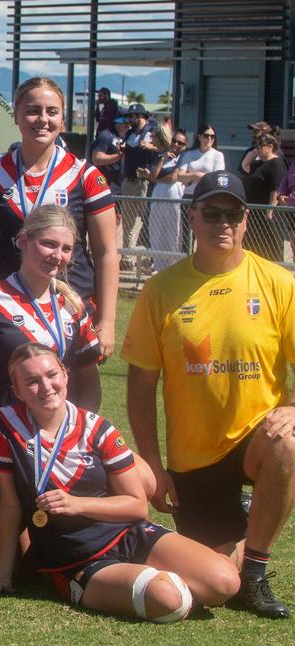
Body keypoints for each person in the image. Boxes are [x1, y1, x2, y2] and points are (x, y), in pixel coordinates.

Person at [123, 170, 295, 619]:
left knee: (289, 444)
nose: (224, 223)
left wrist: (293, 411)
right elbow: (141, 384)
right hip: (193, 459)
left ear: (245, 221)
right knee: (216, 584)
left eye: (233, 214)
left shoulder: (278, 283)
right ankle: (245, 536)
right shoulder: (161, 290)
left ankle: (256, 570)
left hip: (255, 439)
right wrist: (153, 466)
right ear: (192, 217)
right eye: (213, 213)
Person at [0, 343, 239, 622]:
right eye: (32, 382)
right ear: (17, 389)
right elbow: (9, 506)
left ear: (65, 375)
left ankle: (171, 569)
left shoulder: (97, 427)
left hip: (129, 534)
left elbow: (137, 506)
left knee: (225, 583)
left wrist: (76, 504)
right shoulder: (4, 427)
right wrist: (2, 573)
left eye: (51, 375)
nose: (46, 386)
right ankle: (146, 580)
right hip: (78, 558)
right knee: (168, 601)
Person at [0, 76, 118, 356]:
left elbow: (106, 252)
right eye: (33, 110)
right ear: (16, 115)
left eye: (52, 111)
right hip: (9, 305)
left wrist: (107, 321)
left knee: (71, 395)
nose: (42, 119)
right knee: (8, 393)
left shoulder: (86, 175)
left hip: (72, 302)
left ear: (62, 120)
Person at [0, 204, 103, 411]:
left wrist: (78, 432)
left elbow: (90, 384)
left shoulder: (73, 306)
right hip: (4, 434)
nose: (58, 255)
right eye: (49, 244)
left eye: (66, 248)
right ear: (23, 241)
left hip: (61, 437)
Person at [147, 128, 188, 272]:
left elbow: (173, 178)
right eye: (174, 141)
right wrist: (163, 158)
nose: (176, 144)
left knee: (173, 232)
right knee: (157, 230)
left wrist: (157, 179)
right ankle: (158, 265)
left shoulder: (183, 157)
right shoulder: (162, 156)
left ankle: (173, 266)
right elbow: (152, 175)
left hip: (174, 195)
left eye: (180, 143)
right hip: (158, 194)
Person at [119, 104, 158, 253]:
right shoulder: (130, 134)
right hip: (129, 181)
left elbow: (165, 150)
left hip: (144, 183)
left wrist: (151, 147)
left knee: (142, 220)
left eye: (131, 116)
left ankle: (138, 254)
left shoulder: (152, 132)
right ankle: (128, 255)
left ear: (140, 116)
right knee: (128, 221)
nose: (129, 119)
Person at [242, 133, 285, 262]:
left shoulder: (276, 164)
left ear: (270, 147)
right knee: (252, 245)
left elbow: (276, 189)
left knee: (269, 247)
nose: (257, 149)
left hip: (265, 214)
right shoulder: (259, 164)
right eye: (256, 146)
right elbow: (245, 166)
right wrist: (254, 152)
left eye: (260, 146)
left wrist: (270, 209)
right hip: (253, 213)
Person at [173, 123, 225, 198]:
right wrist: (195, 175)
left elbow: (217, 178)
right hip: (189, 195)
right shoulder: (189, 154)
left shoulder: (218, 155)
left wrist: (191, 176)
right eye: (206, 136)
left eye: (212, 136)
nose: (209, 138)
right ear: (199, 137)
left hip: (207, 195)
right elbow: (180, 176)